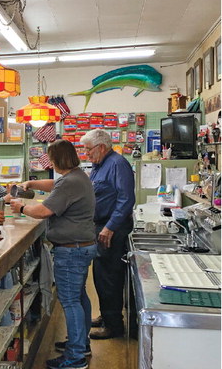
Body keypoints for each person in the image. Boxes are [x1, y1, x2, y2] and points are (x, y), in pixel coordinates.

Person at [10, 140, 96, 369]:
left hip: (72, 250)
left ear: (58, 160)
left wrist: (19, 207)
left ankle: (75, 356)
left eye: (52, 159)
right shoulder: (77, 176)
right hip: (81, 246)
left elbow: (42, 211)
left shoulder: (70, 182)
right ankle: (81, 344)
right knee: (79, 298)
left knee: (70, 301)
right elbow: (54, 184)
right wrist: (31, 182)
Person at [80, 129, 135, 340]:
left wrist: (110, 227)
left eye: (88, 150)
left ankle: (114, 326)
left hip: (112, 229)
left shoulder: (117, 164)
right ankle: (106, 315)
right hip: (101, 227)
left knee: (110, 277)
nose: (86, 154)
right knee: (102, 276)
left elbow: (125, 199)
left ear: (101, 147)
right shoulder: (99, 166)